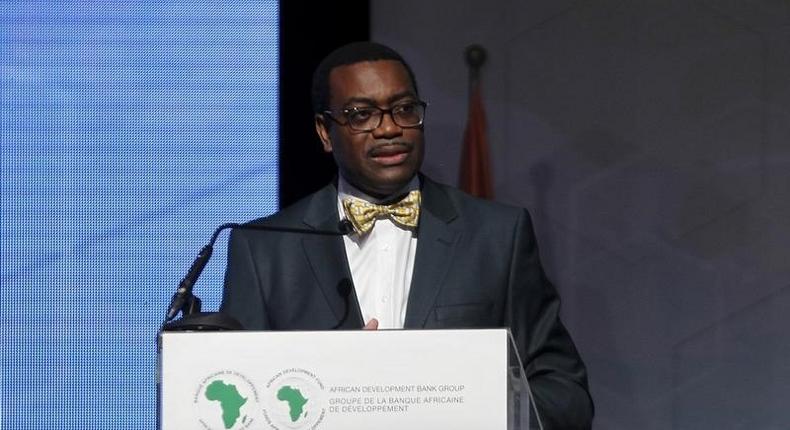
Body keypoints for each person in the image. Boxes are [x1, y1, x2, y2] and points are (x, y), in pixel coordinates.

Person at [220, 41, 593, 429]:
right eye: (361, 115)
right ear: (324, 132)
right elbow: (235, 397)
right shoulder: (265, 248)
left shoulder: (496, 236)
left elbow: (565, 394)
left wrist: (474, 400)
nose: (389, 128)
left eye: (404, 109)